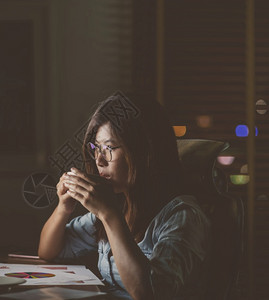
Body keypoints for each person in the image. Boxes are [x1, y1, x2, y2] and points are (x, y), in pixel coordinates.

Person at [38, 94, 210, 299]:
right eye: (96, 148)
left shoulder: (182, 216)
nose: (100, 160)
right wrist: (63, 208)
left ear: (144, 151)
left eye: (109, 148)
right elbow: (49, 251)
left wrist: (109, 215)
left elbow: (149, 293)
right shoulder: (119, 204)